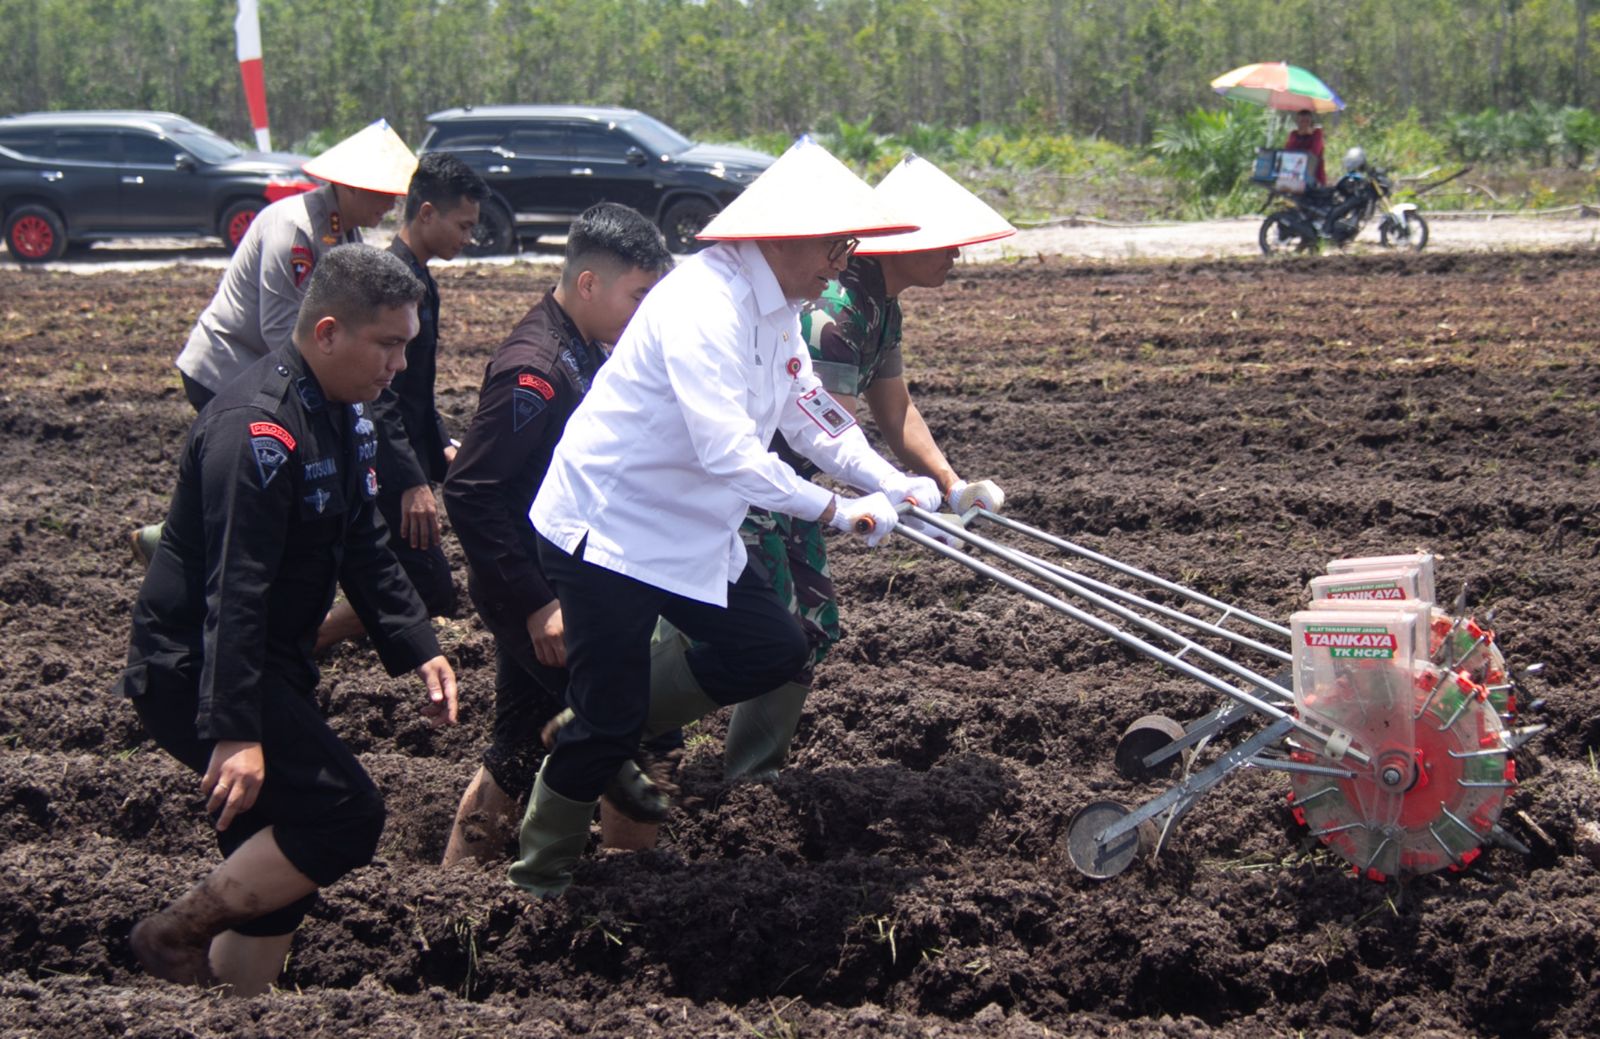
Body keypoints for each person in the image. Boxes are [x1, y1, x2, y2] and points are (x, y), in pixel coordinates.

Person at [508, 138, 930, 899]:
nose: (843, 261)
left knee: (774, 644)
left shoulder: (781, 309)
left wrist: (887, 478)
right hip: (608, 530)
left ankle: (608, 728)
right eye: (835, 244)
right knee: (604, 718)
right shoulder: (705, 303)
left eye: (849, 245)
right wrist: (837, 508)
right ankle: (539, 881)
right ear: (780, 236)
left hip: (688, 528)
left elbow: (810, 413)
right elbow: (731, 453)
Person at [119, 244, 459, 997]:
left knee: (278, 863)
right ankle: (171, 930)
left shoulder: (339, 413)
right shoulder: (256, 431)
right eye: (390, 344)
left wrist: (418, 645)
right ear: (329, 331)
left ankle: (232, 1008)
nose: (400, 365)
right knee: (344, 812)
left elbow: (363, 545)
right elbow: (233, 589)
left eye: (407, 344)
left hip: (262, 662)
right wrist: (236, 730)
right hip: (197, 666)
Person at [719, 153, 1016, 779]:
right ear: (904, 240)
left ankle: (750, 770)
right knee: (755, 632)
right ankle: (634, 731)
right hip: (754, 491)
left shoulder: (882, 305)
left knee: (812, 626)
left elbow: (894, 406)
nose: (957, 257)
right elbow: (826, 430)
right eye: (949, 244)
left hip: (794, 493)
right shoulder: (836, 311)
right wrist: (882, 496)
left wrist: (949, 485)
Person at [439, 203, 673, 866]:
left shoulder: (581, 343)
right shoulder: (534, 371)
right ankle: (635, 881)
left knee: (523, 744)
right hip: (543, 594)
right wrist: (537, 601)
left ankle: (456, 884)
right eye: (638, 295)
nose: (644, 311)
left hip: (563, 581)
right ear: (590, 284)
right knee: (621, 728)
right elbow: (473, 491)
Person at [131, 119, 417, 563]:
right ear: (353, 188)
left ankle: (175, 544)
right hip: (226, 369)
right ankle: (175, 549)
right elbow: (281, 328)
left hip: (266, 370)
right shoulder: (295, 229)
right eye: (384, 194)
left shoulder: (345, 233)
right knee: (257, 484)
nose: (392, 203)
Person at [316, 152, 491, 650]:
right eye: (463, 224)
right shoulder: (389, 281)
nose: (468, 237)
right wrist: (414, 481)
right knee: (426, 585)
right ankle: (310, 639)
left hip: (398, 454)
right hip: (381, 458)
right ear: (427, 212)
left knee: (417, 581)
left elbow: (416, 391)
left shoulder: (418, 280)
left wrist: (444, 450)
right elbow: (380, 395)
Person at [1284, 109, 1327, 188]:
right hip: (1295, 175)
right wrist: (1299, 137)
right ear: (1297, 122)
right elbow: (1288, 152)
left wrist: (1309, 134)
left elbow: (1314, 153)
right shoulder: (1294, 135)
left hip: (1315, 176)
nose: (1304, 124)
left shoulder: (1317, 134)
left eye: (1307, 121)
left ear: (1311, 122)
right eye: (1301, 121)